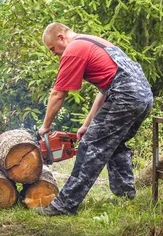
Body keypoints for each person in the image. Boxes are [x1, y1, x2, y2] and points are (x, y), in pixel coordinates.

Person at [35, 22, 153, 216]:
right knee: (116, 143)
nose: (54, 54)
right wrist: (86, 125)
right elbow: (105, 91)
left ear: (61, 38)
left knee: (90, 147)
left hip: (125, 96)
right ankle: (125, 196)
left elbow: (58, 94)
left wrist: (45, 127)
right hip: (143, 97)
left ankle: (64, 205)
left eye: (53, 49)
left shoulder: (74, 49)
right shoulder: (95, 42)